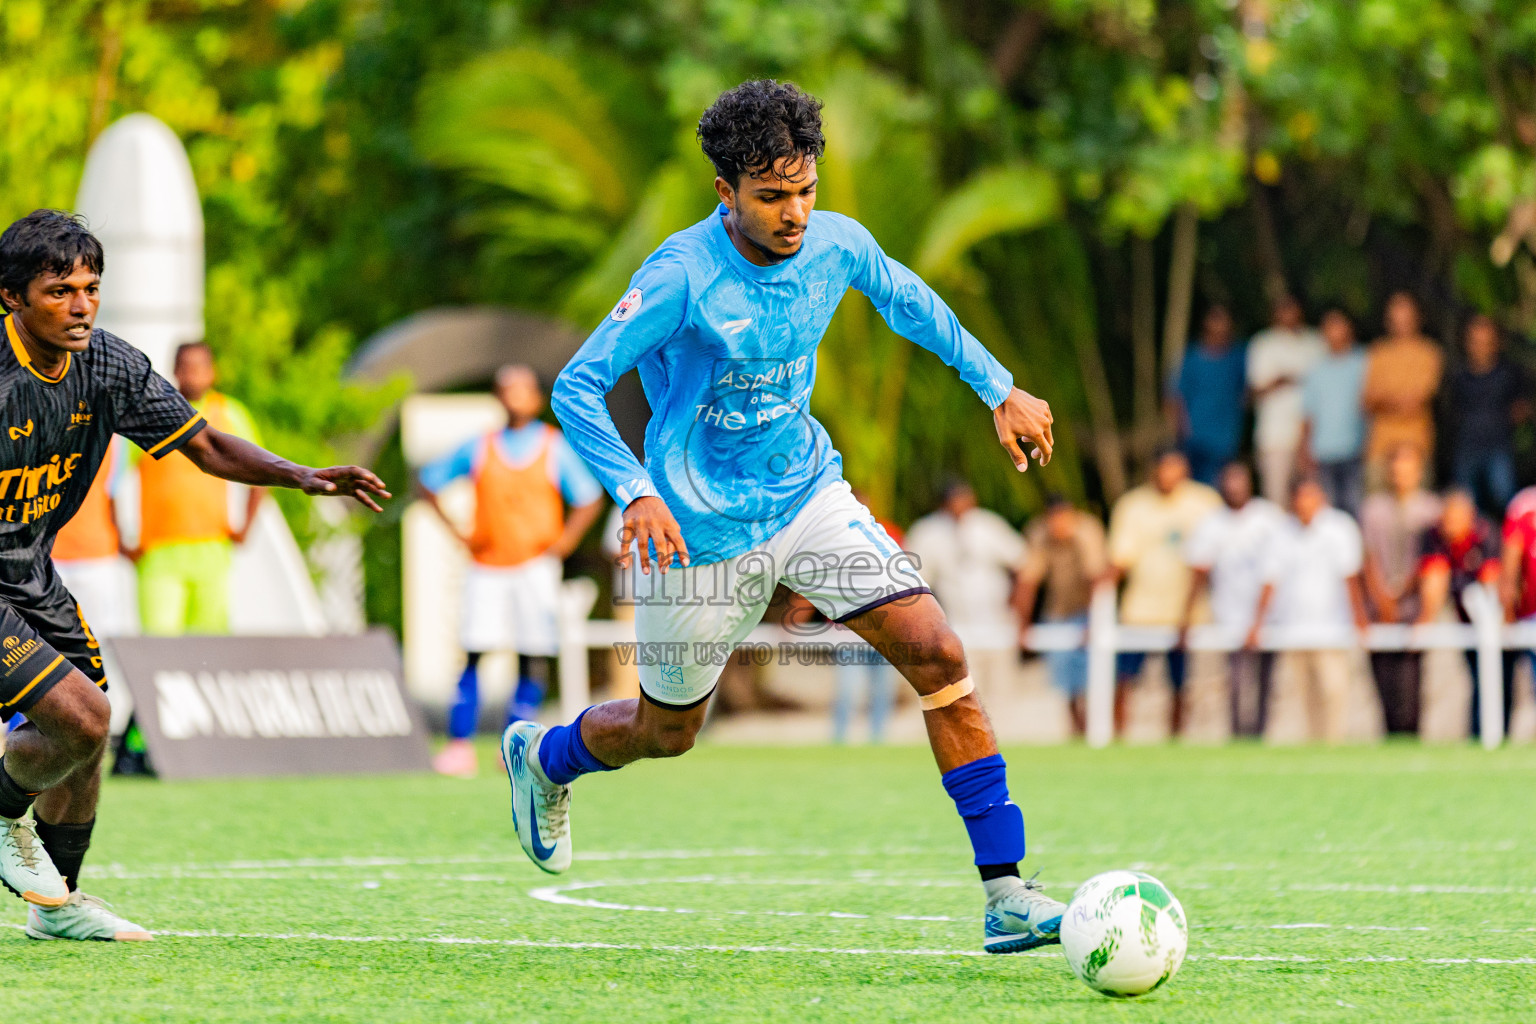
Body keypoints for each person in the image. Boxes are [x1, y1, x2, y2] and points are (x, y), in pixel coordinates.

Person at [527, 80, 1065, 955]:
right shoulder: (679, 274)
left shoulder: (836, 245)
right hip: (694, 528)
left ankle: (1006, 890)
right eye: (772, 196)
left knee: (939, 651)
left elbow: (909, 302)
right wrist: (638, 492)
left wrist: (998, 387)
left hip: (809, 498)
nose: (795, 213)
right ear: (726, 193)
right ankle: (549, 759)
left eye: (805, 189)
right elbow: (577, 385)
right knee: (667, 732)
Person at [0, 209, 388, 940]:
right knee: (82, 717)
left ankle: (56, 907)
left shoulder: (109, 366)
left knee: (89, 739)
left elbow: (204, 445)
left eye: (91, 287)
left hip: (30, 572)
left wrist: (302, 476)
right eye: (59, 291)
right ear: (11, 297)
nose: (81, 305)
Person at [417, 365, 604, 778]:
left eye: (522, 388)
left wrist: (567, 540)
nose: (514, 396)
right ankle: (459, 744)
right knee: (474, 651)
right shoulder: (479, 448)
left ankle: (514, 746)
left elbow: (588, 497)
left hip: (535, 567)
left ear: (536, 398)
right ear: (498, 397)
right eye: (506, 389)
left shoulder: (554, 447)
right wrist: (457, 532)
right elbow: (428, 482)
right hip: (486, 567)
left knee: (532, 653)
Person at [132, 342, 264, 636]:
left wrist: (246, 526)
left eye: (199, 367)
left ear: (212, 372)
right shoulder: (153, 415)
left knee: (210, 643)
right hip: (159, 551)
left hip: (212, 547)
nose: (193, 375)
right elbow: (112, 476)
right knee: (157, 644)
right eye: (186, 368)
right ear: (175, 371)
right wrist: (117, 536)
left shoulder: (229, 413)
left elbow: (260, 471)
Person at [1105, 449, 1222, 738]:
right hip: (1140, 610)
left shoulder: (1204, 503)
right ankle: (1117, 737)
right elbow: (1120, 560)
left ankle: (1176, 739)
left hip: (1185, 612)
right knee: (1124, 678)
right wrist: (1098, 604)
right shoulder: (1132, 505)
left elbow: (1215, 558)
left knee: (1181, 684)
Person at [1248, 474, 1370, 744]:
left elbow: (1351, 577)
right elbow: (1270, 580)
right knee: (1298, 697)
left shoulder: (1340, 528)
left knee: (1333, 691)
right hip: (1291, 629)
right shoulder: (1281, 532)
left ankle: (1332, 745)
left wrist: (1359, 619)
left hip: (1331, 629)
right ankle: (1305, 750)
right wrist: (1258, 623)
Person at [1182, 461, 1286, 737]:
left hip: (1268, 618)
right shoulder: (1211, 523)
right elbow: (1199, 572)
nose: (1234, 488)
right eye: (1229, 482)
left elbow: (1272, 575)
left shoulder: (1268, 518)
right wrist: (1186, 616)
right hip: (1228, 616)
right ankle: (1238, 734)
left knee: (1265, 683)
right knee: (1236, 682)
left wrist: (1258, 622)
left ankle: (1261, 735)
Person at [904, 480, 1026, 699]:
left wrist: (1017, 610)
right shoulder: (928, 532)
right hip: (957, 628)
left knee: (1004, 695)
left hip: (998, 624)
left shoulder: (987, 525)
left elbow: (1024, 564)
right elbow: (914, 584)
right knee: (967, 698)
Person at [1359, 444, 1441, 735]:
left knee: (1411, 686)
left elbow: (1431, 562)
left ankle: (1411, 737)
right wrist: (1382, 600)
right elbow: (1367, 559)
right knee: (1384, 688)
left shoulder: (1430, 509)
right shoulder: (1372, 509)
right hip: (1379, 608)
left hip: (1412, 609)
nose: (1400, 476)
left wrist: (1407, 596)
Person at [1415, 489, 1507, 739]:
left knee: (1500, 683)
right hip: (1464, 619)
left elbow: (1492, 584)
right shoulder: (1434, 537)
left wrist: (1497, 622)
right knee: (1477, 681)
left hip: (1495, 618)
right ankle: (1478, 733)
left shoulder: (1486, 535)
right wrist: (1425, 619)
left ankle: (1495, 734)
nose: (1450, 525)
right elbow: (1435, 576)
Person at [1013, 495, 1107, 737]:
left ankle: (1098, 731)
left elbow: (1096, 579)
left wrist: (1095, 620)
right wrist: (1021, 626)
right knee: (1065, 683)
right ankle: (1077, 731)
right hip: (1057, 612)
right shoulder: (1039, 534)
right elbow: (1028, 582)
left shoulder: (1088, 530)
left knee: (1093, 678)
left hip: (1088, 611)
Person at [830, 492, 904, 745]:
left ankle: (878, 741)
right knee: (848, 690)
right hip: (850, 627)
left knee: (882, 690)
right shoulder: (832, 538)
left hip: (884, 625)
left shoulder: (888, 533)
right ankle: (840, 740)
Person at [1446, 315, 1529, 518]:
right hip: (1466, 447)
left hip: (1499, 447)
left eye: (1486, 341)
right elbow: (1451, 411)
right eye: (1475, 341)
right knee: (1466, 506)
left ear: (1496, 343)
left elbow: (1521, 407)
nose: (1480, 346)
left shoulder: (1508, 373)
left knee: (1504, 500)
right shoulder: (1459, 375)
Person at [1247, 297, 1325, 505]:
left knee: (1309, 499)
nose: (1287, 314)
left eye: (1291, 308)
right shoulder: (1263, 344)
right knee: (1276, 499)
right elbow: (1254, 390)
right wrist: (1282, 380)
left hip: (1312, 437)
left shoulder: (1315, 342)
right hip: (1274, 436)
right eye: (1282, 309)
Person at [1361, 292, 1442, 490]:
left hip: (1417, 447)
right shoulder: (1377, 352)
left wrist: (1386, 400)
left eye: (1406, 319)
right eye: (1396, 319)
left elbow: (1417, 401)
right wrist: (1398, 400)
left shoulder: (1429, 353)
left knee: (1417, 514)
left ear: (1418, 319)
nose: (1401, 324)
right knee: (1377, 512)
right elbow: (1368, 401)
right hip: (1380, 448)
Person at [1299, 309, 1368, 517]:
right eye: (1329, 327)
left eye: (1338, 326)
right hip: (1324, 451)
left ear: (1349, 329)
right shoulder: (1315, 369)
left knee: (1353, 506)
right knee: (1326, 511)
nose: (1333, 332)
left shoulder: (1363, 361)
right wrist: (1304, 447)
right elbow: (1308, 413)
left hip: (1354, 449)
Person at [1168, 304, 1247, 485]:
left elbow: (1246, 392)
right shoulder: (1190, 358)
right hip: (1194, 439)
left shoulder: (1237, 357)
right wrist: (1180, 430)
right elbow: (1174, 397)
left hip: (1226, 440)